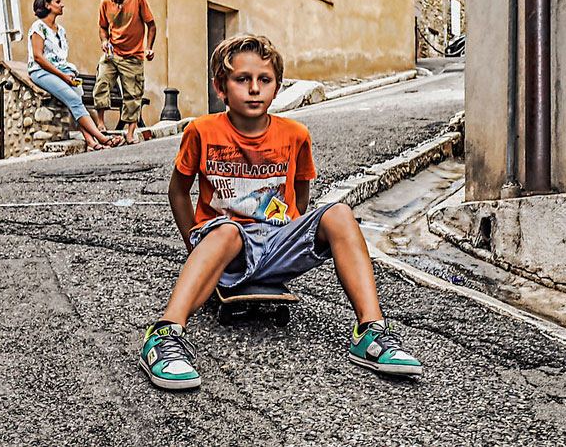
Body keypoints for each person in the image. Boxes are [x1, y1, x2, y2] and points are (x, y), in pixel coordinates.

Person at [138, 35, 422, 389]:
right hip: (225, 247)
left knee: (339, 214)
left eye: (264, 81)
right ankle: (164, 336)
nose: (254, 89)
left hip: (275, 243)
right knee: (226, 232)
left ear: (277, 87)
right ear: (221, 87)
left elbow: (300, 197)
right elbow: (178, 192)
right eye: (242, 80)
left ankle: (371, 332)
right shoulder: (202, 131)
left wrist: (288, 233)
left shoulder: (295, 135)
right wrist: (196, 248)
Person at [27, 0, 122, 152]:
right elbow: (38, 57)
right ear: (47, 5)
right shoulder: (38, 28)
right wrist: (63, 76)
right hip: (40, 72)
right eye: (58, 2)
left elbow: (60, 59)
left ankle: (90, 142)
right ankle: (102, 138)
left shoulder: (61, 30)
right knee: (74, 99)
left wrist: (67, 74)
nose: (62, 5)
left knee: (76, 100)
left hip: (62, 71)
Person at [93, 0, 156, 145]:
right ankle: (100, 123)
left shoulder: (138, 0)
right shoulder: (105, 3)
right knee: (102, 82)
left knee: (133, 94)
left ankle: (130, 133)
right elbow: (102, 27)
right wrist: (104, 41)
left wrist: (149, 47)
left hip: (133, 56)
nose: (112, 0)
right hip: (113, 54)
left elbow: (151, 25)